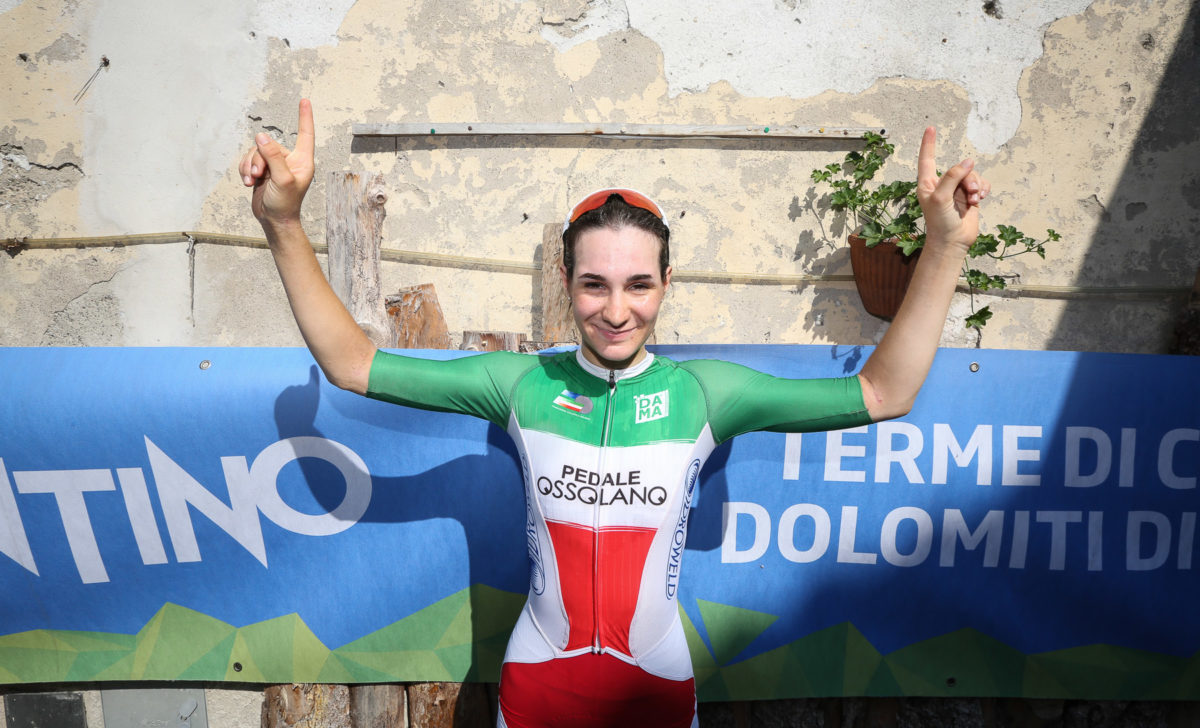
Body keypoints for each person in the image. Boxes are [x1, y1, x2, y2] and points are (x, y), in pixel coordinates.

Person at [240, 100, 988, 728]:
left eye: (638, 284)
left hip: (654, 692)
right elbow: (352, 364)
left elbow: (886, 393)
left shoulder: (707, 394)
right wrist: (283, 223)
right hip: (538, 691)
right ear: (565, 280)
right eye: (594, 284)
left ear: (668, 281)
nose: (617, 310)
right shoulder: (519, 384)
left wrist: (946, 246)